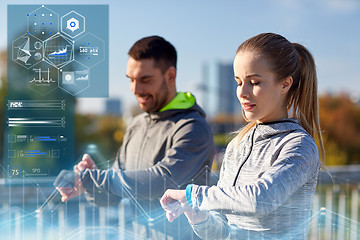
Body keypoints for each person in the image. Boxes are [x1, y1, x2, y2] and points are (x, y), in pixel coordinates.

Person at [160, 33, 325, 239]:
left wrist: (193, 195)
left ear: (285, 84)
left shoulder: (299, 146)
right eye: (238, 82)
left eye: (254, 82)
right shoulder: (238, 145)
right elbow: (222, 232)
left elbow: (260, 199)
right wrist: (198, 217)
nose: (242, 92)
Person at [56, 35, 215, 239]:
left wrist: (95, 179)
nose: (135, 89)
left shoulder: (192, 127)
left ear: (170, 76)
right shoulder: (136, 126)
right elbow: (112, 197)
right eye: (131, 79)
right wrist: (88, 184)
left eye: (145, 80)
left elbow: (161, 180)